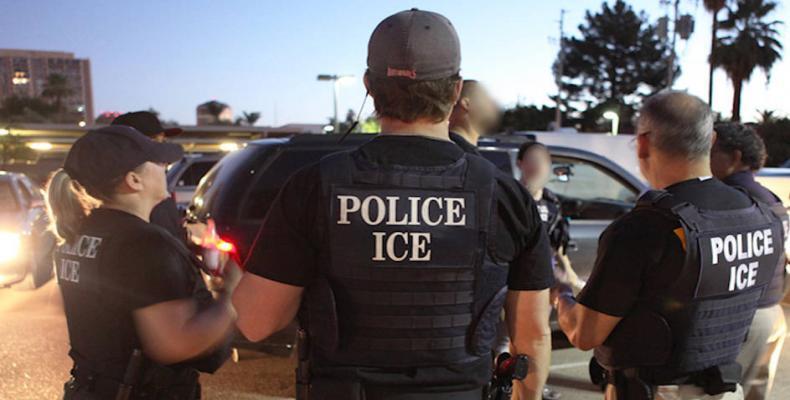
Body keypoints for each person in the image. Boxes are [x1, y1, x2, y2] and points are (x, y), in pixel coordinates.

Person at [233, 9, 554, 400]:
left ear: (369, 86)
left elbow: (256, 322)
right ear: (455, 92)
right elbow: (533, 336)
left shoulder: (314, 186)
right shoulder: (504, 195)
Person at [552, 91, 785, 400]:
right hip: (726, 389)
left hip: (659, 391)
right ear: (711, 139)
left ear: (645, 144)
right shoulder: (760, 215)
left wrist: (562, 295)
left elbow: (584, 333)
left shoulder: (646, 227)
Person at [49, 125, 238, 399]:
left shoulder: (79, 233)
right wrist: (231, 297)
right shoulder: (144, 243)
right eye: (158, 162)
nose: (165, 166)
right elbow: (175, 344)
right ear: (134, 180)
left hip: (91, 388)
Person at [449, 82, 562, 400]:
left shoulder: (523, 196)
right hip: (464, 376)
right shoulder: (504, 192)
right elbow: (533, 334)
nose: (495, 103)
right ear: (461, 100)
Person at [710, 122, 789, 400]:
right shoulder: (772, 199)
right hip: (772, 311)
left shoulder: (732, 201)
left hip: (742, 316)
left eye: (711, 151)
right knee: (756, 393)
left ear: (735, 157)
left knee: (725, 392)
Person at [516, 141, 583, 292]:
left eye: (544, 161)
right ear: (520, 164)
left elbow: (556, 241)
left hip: (540, 278)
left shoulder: (551, 202)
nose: (538, 165)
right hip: (513, 277)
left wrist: (568, 271)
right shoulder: (510, 197)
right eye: (533, 159)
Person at [112, 111, 187, 243]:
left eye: (163, 142)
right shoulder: (144, 203)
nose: (164, 158)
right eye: (153, 143)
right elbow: (165, 252)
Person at [448, 79, 500, 154]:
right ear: (466, 104)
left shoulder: (445, 148)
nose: (493, 104)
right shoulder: (464, 158)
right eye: (485, 98)